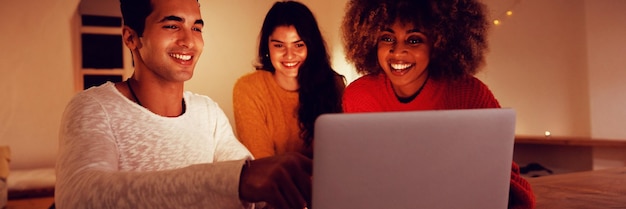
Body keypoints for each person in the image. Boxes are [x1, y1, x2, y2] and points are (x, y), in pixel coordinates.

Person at [55, 0, 311, 208]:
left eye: (197, 28)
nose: (190, 41)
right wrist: (236, 180)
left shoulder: (208, 113)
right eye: (172, 26)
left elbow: (255, 189)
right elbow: (78, 198)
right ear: (132, 38)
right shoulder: (94, 107)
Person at [340, 0, 535, 208]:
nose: (397, 52)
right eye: (387, 38)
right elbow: (358, 176)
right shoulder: (359, 95)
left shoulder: (468, 93)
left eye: (414, 40)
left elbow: (505, 175)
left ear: (439, 44)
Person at [233, 1, 345, 159]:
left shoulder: (333, 84)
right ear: (267, 47)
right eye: (279, 46)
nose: (289, 55)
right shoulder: (249, 89)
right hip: (274, 182)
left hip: (327, 181)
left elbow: (341, 155)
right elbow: (262, 164)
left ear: (311, 47)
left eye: (298, 45)